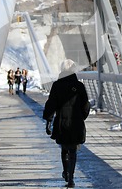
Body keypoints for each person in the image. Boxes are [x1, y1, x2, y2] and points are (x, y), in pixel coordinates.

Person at [43, 59, 90, 188]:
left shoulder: (57, 85)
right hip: (76, 123)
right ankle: (71, 176)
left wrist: (48, 120)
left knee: (64, 149)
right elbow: (85, 104)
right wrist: (81, 117)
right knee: (73, 150)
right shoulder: (79, 86)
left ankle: (66, 171)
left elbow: (51, 104)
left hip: (61, 122)